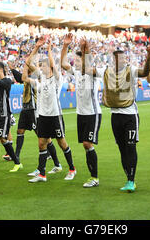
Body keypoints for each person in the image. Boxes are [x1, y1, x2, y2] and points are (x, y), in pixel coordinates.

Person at [81, 40, 150, 193]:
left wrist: (149, 57)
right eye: (116, 58)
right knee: (122, 149)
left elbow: (145, 72)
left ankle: (131, 180)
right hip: (115, 115)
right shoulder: (107, 71)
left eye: (121, 57)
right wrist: (85, 51)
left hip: (130, 115)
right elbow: (87, 69)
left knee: (130, 146)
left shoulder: (131, 70)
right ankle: (128, 177)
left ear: (125, 58)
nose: (119, 60)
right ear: (113, 59)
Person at [23, 36, 76, 183]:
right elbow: (28, 63)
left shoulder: (57, 79)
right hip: (43, 116)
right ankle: (42, 174)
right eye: (40, 66)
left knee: (61, 142)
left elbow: (53, 64)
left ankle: (72, 169)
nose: (41, 68)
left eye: (43, 65)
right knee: (41, 143)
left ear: (50, 67)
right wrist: (36, 48)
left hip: (55, 115)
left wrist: (49, 51)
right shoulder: (41, 77)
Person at [61, 33, 101, 188]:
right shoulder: (76, 73)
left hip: (93, 113)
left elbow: (88, 59)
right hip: (81, 113)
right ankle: (93, 176)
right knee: (86, 145)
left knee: (87, 143)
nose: (75, 62)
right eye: (75, 60)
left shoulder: (91, 72)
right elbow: (63, 64)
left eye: (78, 60)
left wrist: (85, 48)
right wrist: (65, 45)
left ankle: (94, 177)